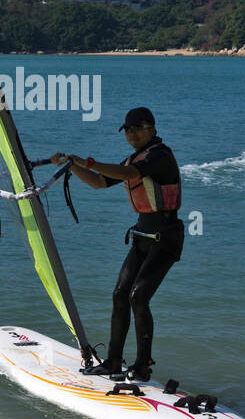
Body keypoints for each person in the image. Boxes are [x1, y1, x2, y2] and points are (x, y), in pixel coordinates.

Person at [50, 107, 183, 381]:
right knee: (120, 294)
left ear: (152, 129)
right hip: (142, 238)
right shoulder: (133, 158)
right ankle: (112, 362)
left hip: (166, 239)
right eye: (127, 130)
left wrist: (86, 161)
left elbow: (129, 174)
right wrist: (72, 166)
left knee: (139, 297)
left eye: (137, 128)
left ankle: (143, 366)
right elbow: (99, 182)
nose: (132, 134)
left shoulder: (160, 156)